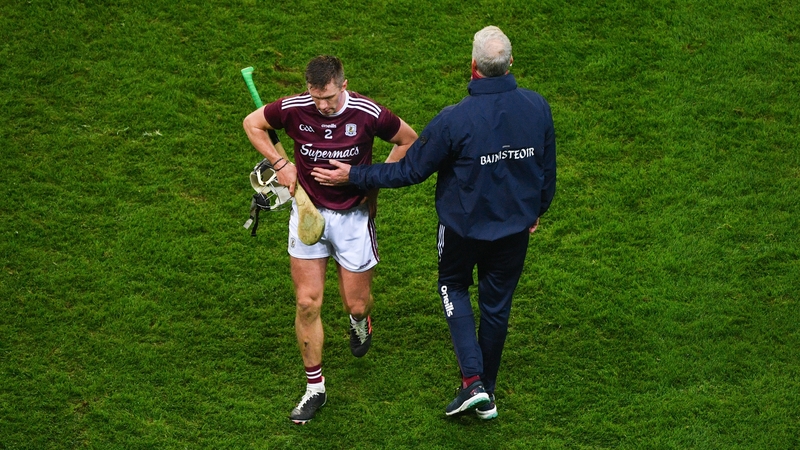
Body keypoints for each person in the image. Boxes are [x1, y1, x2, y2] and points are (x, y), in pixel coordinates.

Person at [312, 26, 556, 420]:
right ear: (511, 64)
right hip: (514, 232)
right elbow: (546, 170)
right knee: (497, 308)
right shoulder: (537, 107)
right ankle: (486, 393)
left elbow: (409, 171)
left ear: (473, 65)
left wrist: (354, 175)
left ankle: (473, 383)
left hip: (462, 232)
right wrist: (535, 210)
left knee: (453, 286)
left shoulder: (453, 120)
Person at [242, 55, 418, 425]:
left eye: (330, 98)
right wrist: (280, 164)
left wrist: (364, 177)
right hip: (308, 215)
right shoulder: (293, 108)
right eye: (316, 98)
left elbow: (408, 140)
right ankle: (315, 388)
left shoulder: (368, 114)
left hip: (354, 217)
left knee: (356, 304)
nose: (323, 106)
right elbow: (253, 123)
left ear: (343, 85)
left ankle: (360, 322)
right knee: (307, 303)